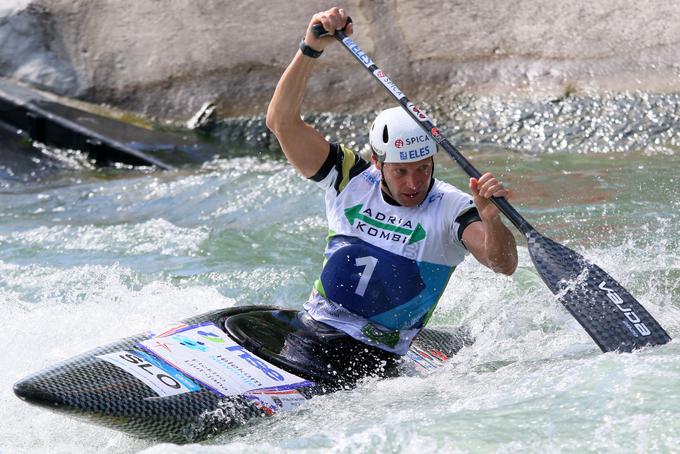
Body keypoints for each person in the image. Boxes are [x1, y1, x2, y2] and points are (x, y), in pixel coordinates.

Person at [265, 7, 517, 384]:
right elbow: (281, 122)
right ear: (377, 162)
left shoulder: (453, 209)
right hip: (311, 337)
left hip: (377, 364)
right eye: (401, 171)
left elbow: (504, 264)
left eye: (423, 169)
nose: (414, 183)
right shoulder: (349, 177)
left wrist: (493, 221)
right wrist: (310, 47)